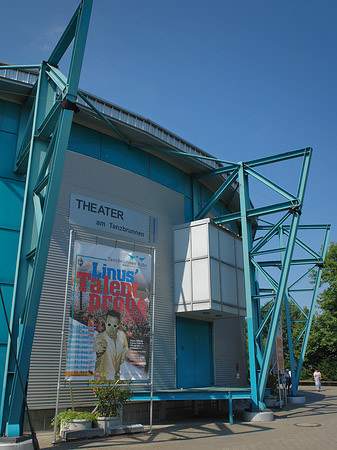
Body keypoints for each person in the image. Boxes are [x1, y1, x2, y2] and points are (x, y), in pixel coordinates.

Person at [93, 310, 128, 379]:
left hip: (115, 379)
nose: (111, 328)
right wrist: (99, 347)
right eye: (109, 324)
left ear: (118, 326)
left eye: (114, 325)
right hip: (102, 381)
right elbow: (98, 344)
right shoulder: (101, 336)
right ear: (105, 323)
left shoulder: (121, 335)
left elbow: (125, 350)